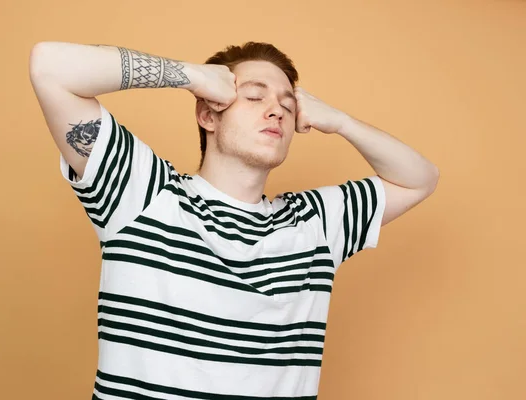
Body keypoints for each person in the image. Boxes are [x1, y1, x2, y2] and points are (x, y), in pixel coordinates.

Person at [29, 40, 439, 399]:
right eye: (255, 97)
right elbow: (50, 65)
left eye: (287, 102)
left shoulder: (315, 225)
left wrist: (343, 122)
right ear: (208, 114)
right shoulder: (143, 194)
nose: (276, 110)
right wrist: (189, 76)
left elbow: (418, 179)